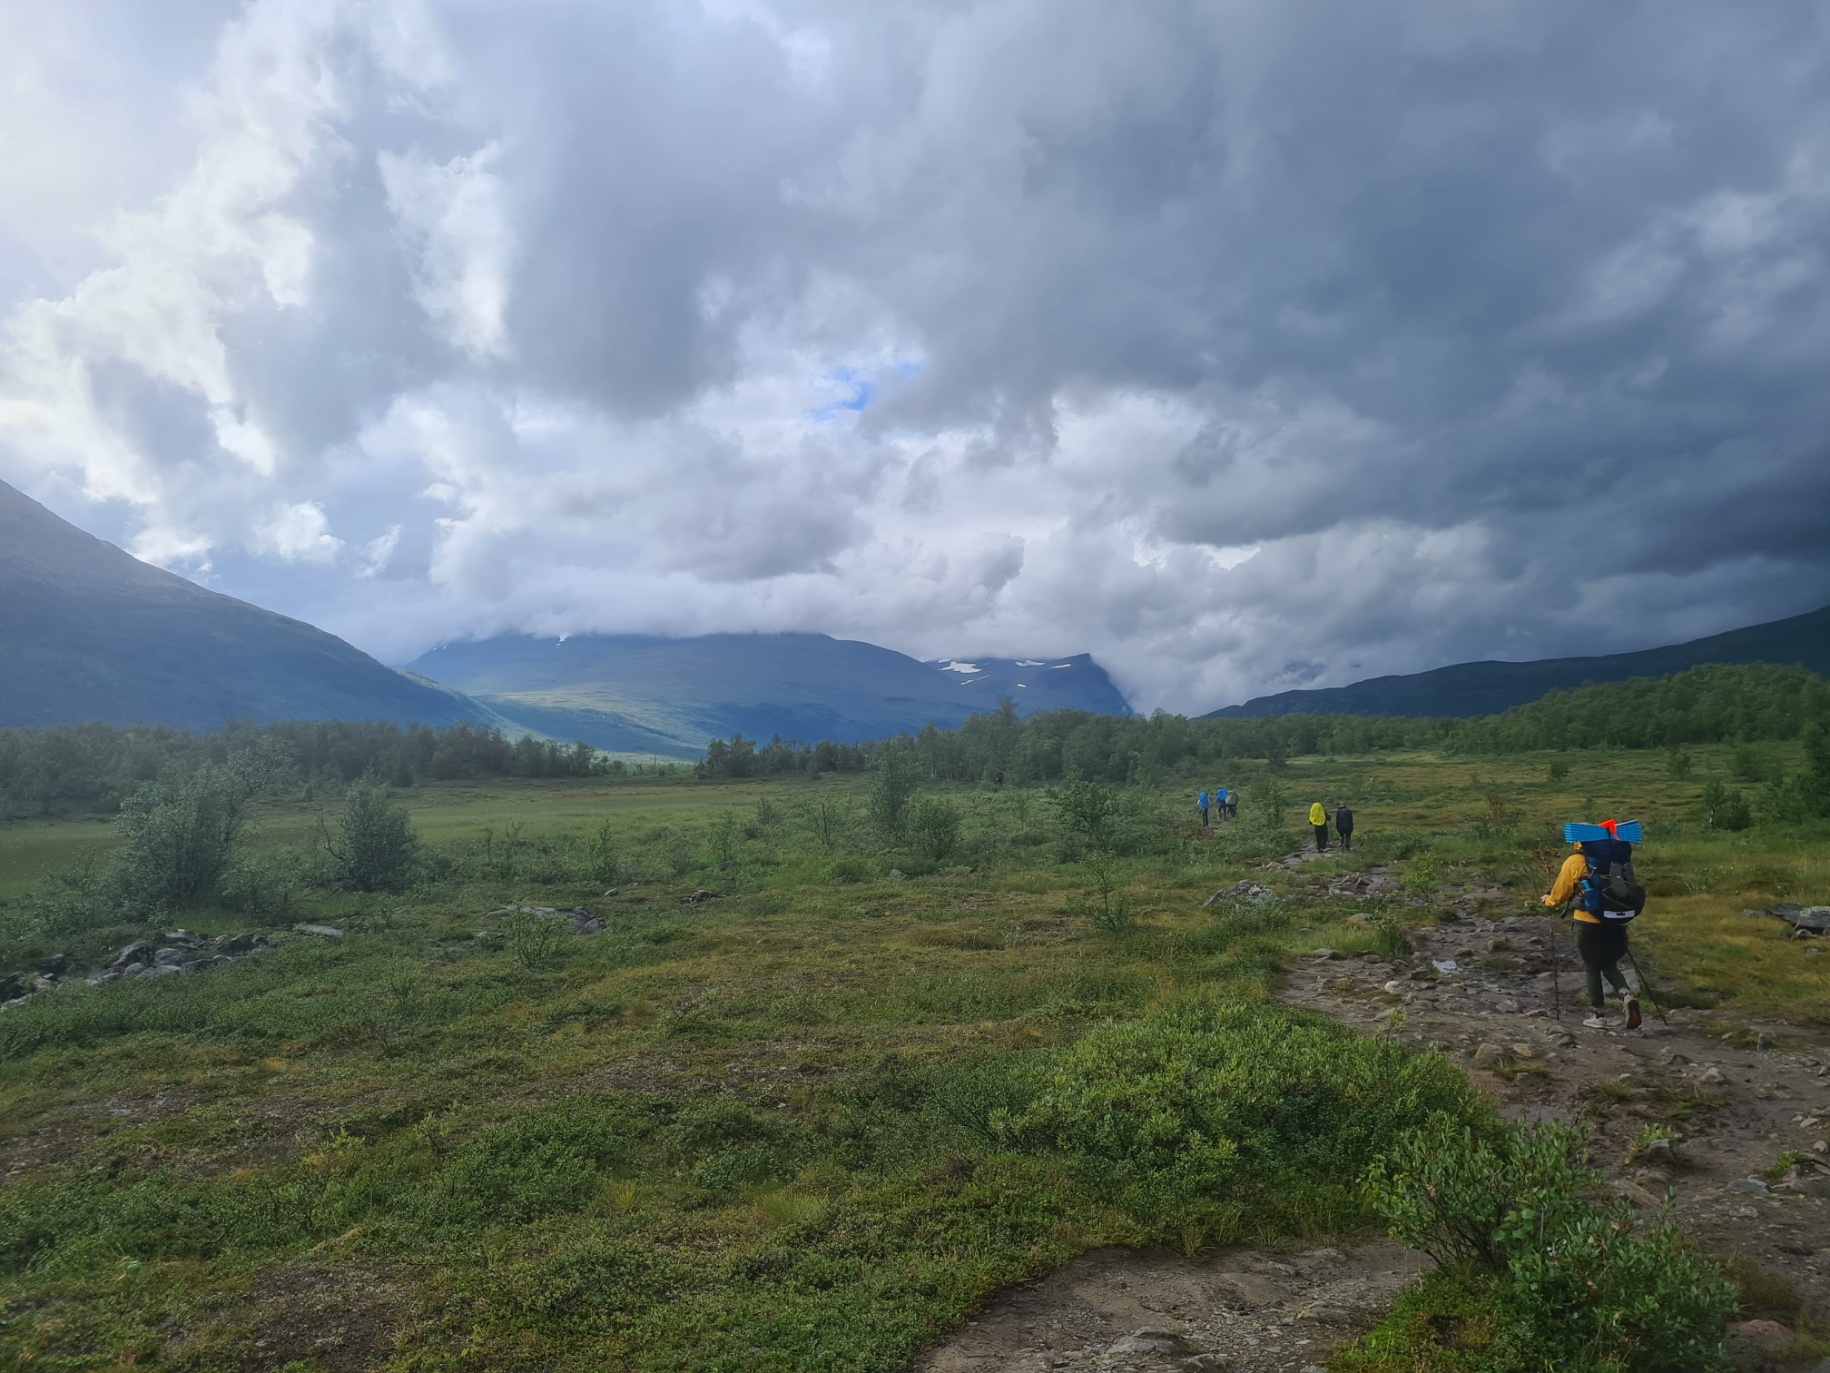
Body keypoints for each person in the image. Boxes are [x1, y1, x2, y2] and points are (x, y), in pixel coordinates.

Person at [1542, 819, 1645, 1030]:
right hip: (1617, 919)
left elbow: (1560, 893)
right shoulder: (1617, 859)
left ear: (1579, 841)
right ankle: (1626, 995)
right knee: (1607, 963)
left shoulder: (1575, 862)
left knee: (1591, 966)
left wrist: (1548, 901)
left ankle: (1599, 1016)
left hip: (1589, 921)